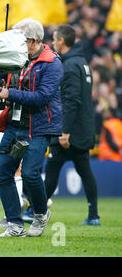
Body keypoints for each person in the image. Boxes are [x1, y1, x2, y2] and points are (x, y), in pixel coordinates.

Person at [0, 18, 63, 237]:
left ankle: (40, 213)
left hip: (39, 126)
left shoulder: (52, 62)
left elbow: (43, 97)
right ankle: (15, 224)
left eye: (18, 39)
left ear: (32, 41)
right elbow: (0, 81)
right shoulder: (15, 57)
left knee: (30, 174)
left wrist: (8, 93)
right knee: (3, 173)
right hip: (14, 122)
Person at [44, 24, 100, 226]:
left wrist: (64, 131)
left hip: (69, 131)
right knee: (84, 171)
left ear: (62, 41)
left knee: (52, 169)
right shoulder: (82, 62)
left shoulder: (69, 65)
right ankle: (93, 215)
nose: (52, 42)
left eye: (54, 39)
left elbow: (71, 100)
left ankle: (36, 211)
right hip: (83, 128)